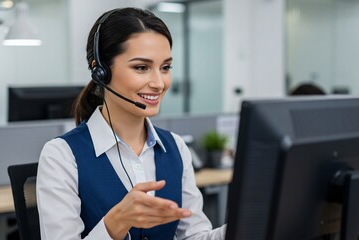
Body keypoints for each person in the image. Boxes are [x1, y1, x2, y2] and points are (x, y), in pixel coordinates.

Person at [36, 7, 226, 240]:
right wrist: (116, 222)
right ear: (101, 71)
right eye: (141, 67)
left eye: (165, 67)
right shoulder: (61, 155)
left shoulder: (176, 147)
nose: (159, 83)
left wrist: (248, 225)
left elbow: (192, 236)